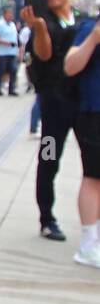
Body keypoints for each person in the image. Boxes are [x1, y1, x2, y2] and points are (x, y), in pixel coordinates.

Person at [23, 0, 87, 241]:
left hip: (85, 104)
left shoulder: (85, 22)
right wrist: (38, 27)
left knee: (93, 162)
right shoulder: (42, 22)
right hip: (53, 106)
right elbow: (44, 54)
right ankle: (46, 218)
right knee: (48, 158)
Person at [63, 16, 100, 267]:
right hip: (65, 110)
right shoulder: (89, 27)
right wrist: (93, 39)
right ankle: (47, 219)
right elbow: (69, 66)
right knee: (48, 156)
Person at [0, 5, 20, 96]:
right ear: (5, 15)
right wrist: (5, 43)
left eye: (12, 14)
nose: (11, 16)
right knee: (1, 70)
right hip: (3, 52)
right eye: (9, 14)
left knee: (13, 70)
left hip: (12, 51)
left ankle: (11, 89)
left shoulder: (12, 25)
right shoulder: (0, 24)